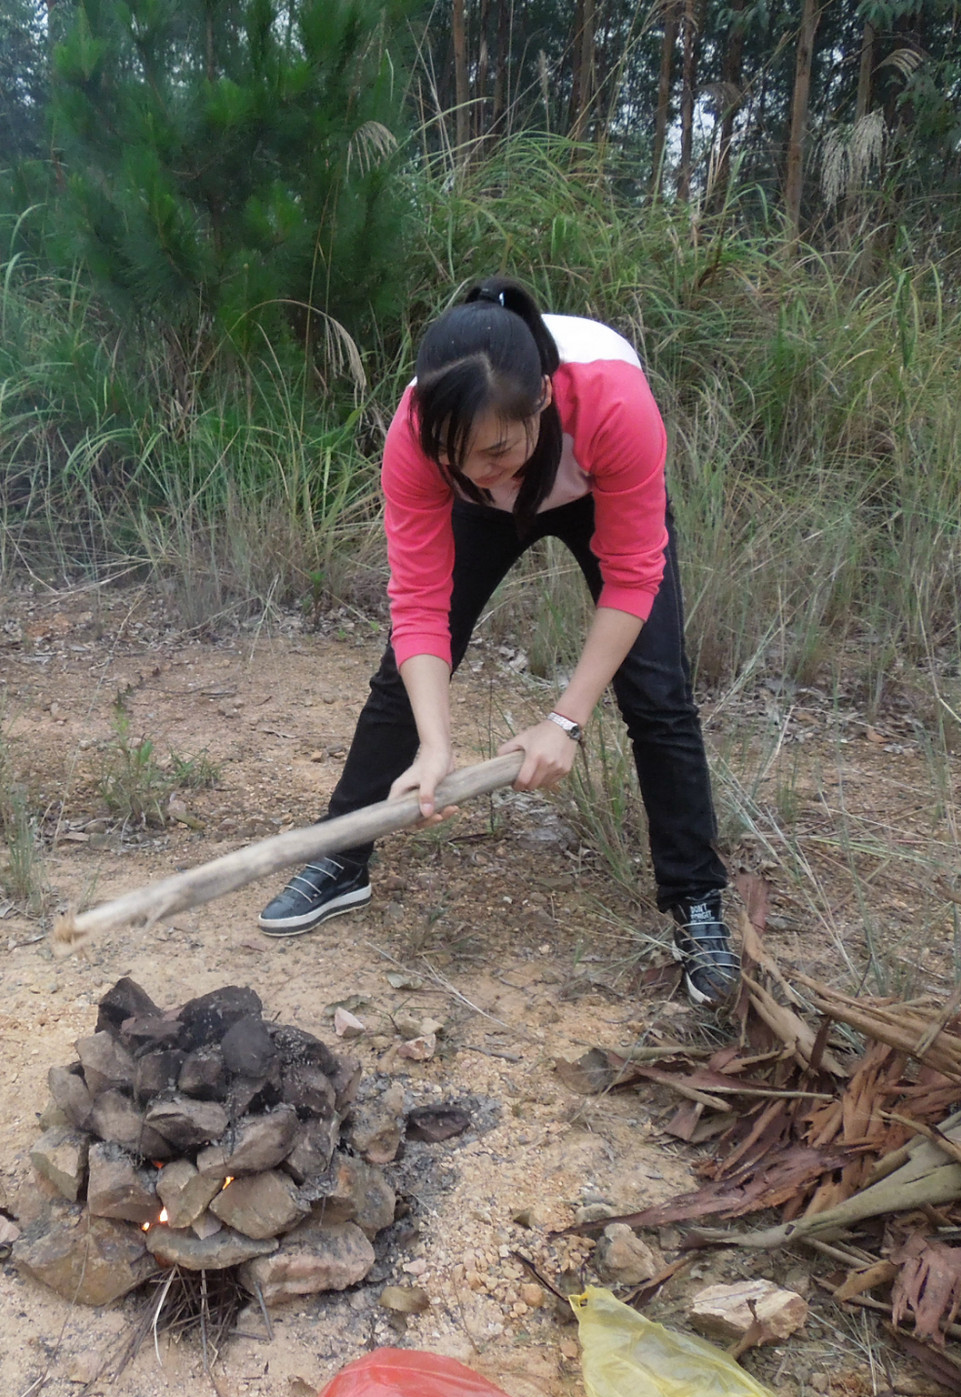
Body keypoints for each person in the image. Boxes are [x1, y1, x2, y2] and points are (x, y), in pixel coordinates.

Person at [258, 276, 739, 1008]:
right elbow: (419, 604)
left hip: (591, 484)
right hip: (489, 507)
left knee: (659, 692)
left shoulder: (613, 404)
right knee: (402, 679)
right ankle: (342, 858)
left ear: (542, 398)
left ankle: (696, 901)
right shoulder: (428, 443)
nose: (474, 470)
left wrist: (564, 721)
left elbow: (635, 577)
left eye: (492, 451)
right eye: (454, 455)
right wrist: (434, 744)